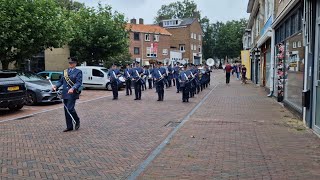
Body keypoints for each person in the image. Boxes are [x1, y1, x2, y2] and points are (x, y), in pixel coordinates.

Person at [53, 57, 82, 132]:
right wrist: (56, 86)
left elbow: (78, 83)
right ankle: (69, 126)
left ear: (75, 64)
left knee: (70, 108)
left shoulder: (78, 72)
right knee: (66, 110)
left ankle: (77, 120)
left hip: (72, 93)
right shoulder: (65, 71)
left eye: (72, 63)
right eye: (69, 63)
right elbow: (61, 81)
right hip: (65, 93)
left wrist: (73, 88)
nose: (70, 64)